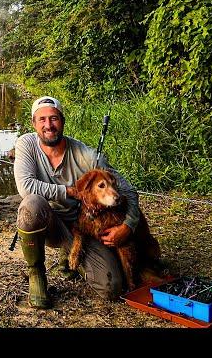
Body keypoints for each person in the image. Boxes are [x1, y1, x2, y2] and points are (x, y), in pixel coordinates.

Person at [13, 95, 140, 309]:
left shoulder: (87, 155)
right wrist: (70, 191)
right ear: (33, 123)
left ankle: (74, 260)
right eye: (42, 119)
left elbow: (127, 189)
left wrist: (128, 225)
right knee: (31, 204)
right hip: (47, 222)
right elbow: (26, 187)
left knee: (111, 288)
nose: (48, 125)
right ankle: (36, 275)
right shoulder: (26, 144)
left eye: (53, 118)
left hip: (80, 227)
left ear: (62, 121)